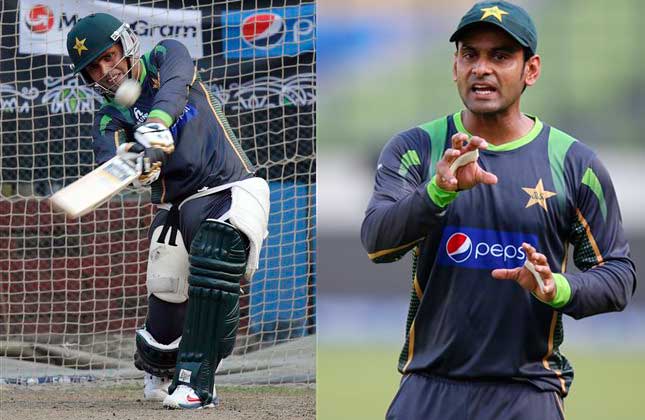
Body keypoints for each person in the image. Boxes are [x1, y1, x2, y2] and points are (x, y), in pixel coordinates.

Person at [361, 1, 636, 419]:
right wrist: (438, 191)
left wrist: (556, 288)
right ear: (455, 66)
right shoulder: (416, 149)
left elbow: (618, 276)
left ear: (532, 70)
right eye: (470, 54)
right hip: (429, 388)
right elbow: (378, 244)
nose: (481, 68)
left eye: (501, 56)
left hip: (527, 392)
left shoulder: (575, 164)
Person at [65, 13, 270, 409]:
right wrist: (138, 167)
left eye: (108, 57)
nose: (105, 72)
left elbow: (175, 90)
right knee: (165, 286)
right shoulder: (110, 118)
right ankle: (160, 371)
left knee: (215, 252)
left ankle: (199, 382)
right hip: (177, 204)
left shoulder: (165, 56)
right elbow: (114, 166)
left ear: (125, 45)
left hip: (232, 186)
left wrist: (157, 125)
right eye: (93, 68)